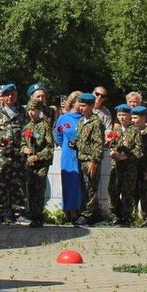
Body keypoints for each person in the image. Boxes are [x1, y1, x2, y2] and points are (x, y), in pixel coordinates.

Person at [0, 83, 27, 224]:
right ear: (2, 96)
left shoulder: (23, 112)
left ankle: (18, 213)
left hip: (19, 155)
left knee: (19, 184)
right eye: (8, 94)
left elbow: (30, 130)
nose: (10, 97)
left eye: (13, 94)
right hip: (0, 155)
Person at [19, 99, 54, 227]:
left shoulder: (44, 126)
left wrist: (38, 156)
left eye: (33, 110)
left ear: (39, 111)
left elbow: (50, 147)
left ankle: (38, 217)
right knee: (30, 190)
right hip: (29, 165)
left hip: (40, 165)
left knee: (39, 191)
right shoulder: (27, 127)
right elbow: (22, 143)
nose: (31, 113)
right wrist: (24, 149)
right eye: (29, 110)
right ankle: (32, 215)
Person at [74, 91, 105, 225]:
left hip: (90, 160)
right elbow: (81, 139)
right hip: (81, 158)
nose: (81, 108)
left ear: (92, 106)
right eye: (80, 105)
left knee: (90, 188)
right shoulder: (81, 120)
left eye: (84, 106)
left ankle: (88, 215)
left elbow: (98, 143)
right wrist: (74, 143)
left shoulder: (95, 122)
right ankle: (93, 213)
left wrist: (94, 161)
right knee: (84, 188)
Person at [54, 92, 85, 224]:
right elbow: (58, 136)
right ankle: (72, 213)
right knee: (70, 182)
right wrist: (67, 146)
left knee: (83, 183)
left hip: (83, 155)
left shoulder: (86, 118)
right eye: (80, 102)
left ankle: (83, 211)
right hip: (68, 155)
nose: (83, 106)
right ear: (73, 102)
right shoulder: (63, 118)